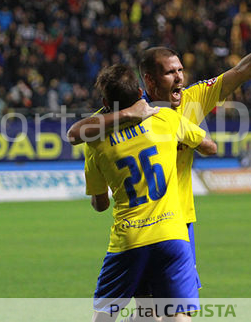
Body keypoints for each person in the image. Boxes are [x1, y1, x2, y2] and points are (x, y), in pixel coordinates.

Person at [69, 12, 251, 302]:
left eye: (180, 70)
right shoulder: (124, 114)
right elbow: (77, 133)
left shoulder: (192, 99)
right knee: (158, 311)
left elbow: (242, 70)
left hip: (179, 224)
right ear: (149, 81)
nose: (179, 77)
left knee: (163, 310)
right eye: (170, 72)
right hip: (142, 229)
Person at [85, 64, 217, 322]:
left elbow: (100, 204)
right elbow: (209, 147)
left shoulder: (96, 141)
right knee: (175, 315)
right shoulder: (166, 119)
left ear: (104, 102)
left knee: (105, 315)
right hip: (172, 234)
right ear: (140, 92)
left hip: (129, 239)